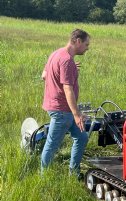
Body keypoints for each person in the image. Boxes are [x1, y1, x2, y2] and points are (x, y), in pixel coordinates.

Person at [41, 29, 90, 177]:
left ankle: (73, 172)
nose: (88, 48)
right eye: (86, 44)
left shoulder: (56, 54)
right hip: (62, 111)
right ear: (78, 41)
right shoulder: (67, 61)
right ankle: (44, 177)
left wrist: (72, 71)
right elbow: (68, 89)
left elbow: (44, 75)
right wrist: (76, 114)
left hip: (60, 108)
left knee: (82, 137)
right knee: (52, 145)